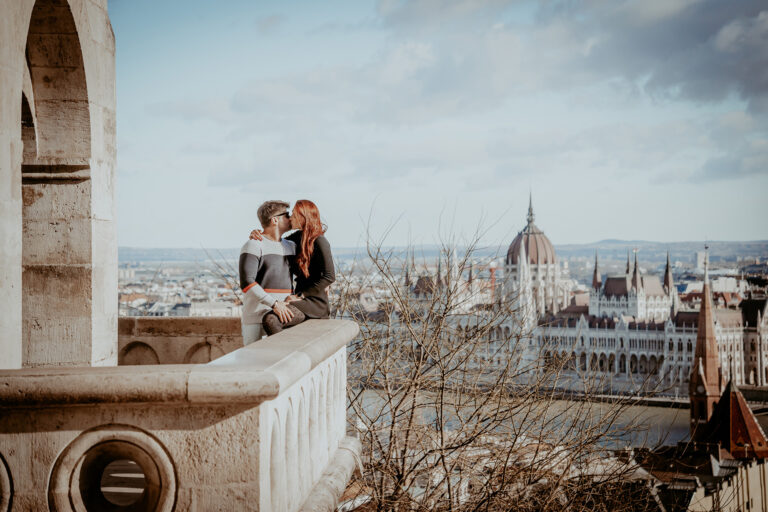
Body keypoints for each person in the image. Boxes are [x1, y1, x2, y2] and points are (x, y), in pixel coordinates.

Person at [252, 199, 335, 333]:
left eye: (294, 214)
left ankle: (282, 354)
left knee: (271, 319)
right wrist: (258, 234)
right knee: (271, 318)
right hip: (301, 301)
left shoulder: (320, 241)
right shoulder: (297, 238)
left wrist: (300, 296)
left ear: (303, 217)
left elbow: (330, 276)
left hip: (314, 302)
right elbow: (274, 241)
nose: (291, 218)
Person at [239, 200, 305, 344]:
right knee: (253, 362)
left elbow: (303, 275)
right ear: (275, 220)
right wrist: (274, 304)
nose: (291, 218)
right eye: (287, 215)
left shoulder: (291, 246)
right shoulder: (253, 245)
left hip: (283, 316)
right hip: (255, 318)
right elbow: (246, 283)